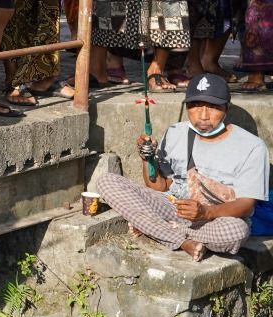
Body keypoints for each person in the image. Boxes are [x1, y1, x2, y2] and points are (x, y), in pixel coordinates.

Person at [94, 74, 266, 260]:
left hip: (215, 218)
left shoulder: (252, 146)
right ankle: (182, 240)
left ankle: (156, 229)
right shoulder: (176, 132)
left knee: (236, 232)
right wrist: (147, 159)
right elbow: (159, 187)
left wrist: (206, 212)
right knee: (107, 181)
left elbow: (246, 205)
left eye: (213, 107)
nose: (203, 115)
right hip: (174, 207)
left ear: (227, 108)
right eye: (195, 106)